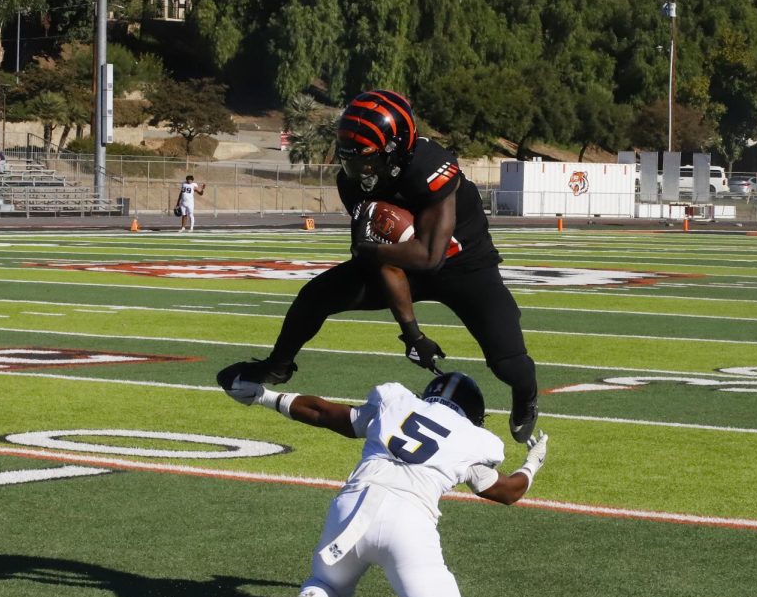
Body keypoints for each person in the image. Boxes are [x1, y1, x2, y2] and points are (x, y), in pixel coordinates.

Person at [219, 90, 541, 443]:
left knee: (509, 362)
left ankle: (526, 395)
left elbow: (431, 256)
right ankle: (277, 366)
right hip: (404, 262)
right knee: (314, 296)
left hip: (464, 264)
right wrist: (412, 334)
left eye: (366, 159)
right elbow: (383, 262)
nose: (356, 170)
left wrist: (371, 251)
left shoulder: (430, 166)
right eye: (350, 159)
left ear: (395, 149)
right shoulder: (352, 181)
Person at [219, 368, 549, 597]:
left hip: (353, 507)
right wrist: (532, 464)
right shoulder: (473, 439)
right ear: (472, 413)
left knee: (328, 584)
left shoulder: (397, 402)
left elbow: (324, 413)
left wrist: (264, 396)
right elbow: (507, 492)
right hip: (408, 521)